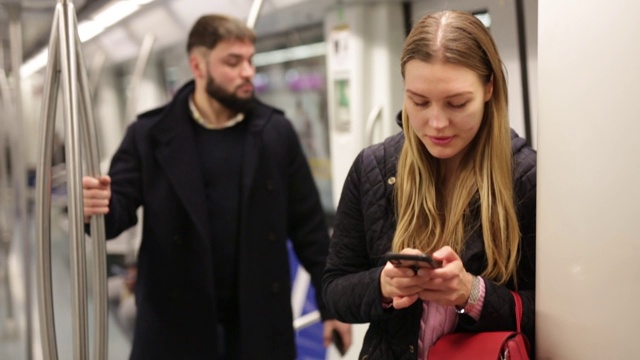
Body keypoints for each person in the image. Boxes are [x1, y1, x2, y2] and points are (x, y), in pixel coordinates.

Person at [82, 14, 351, 360]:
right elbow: (117, 212)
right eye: (233, 61)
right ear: (198, 65)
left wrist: (332, 307)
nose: (247, 72)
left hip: (257, 323)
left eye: (250, 60)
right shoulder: (150, 136)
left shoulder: (275, 134)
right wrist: (99, 204)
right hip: (175, 325)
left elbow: (310, 231)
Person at [322, 10, 536, 359]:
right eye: (419, 102)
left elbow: (552, 315)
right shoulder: (373, 167)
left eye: (456, 103)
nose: (436, 123)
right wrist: (383, 285)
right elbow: (334, 290)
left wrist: (473, 294)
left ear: (489, 88)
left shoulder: (527, 178)